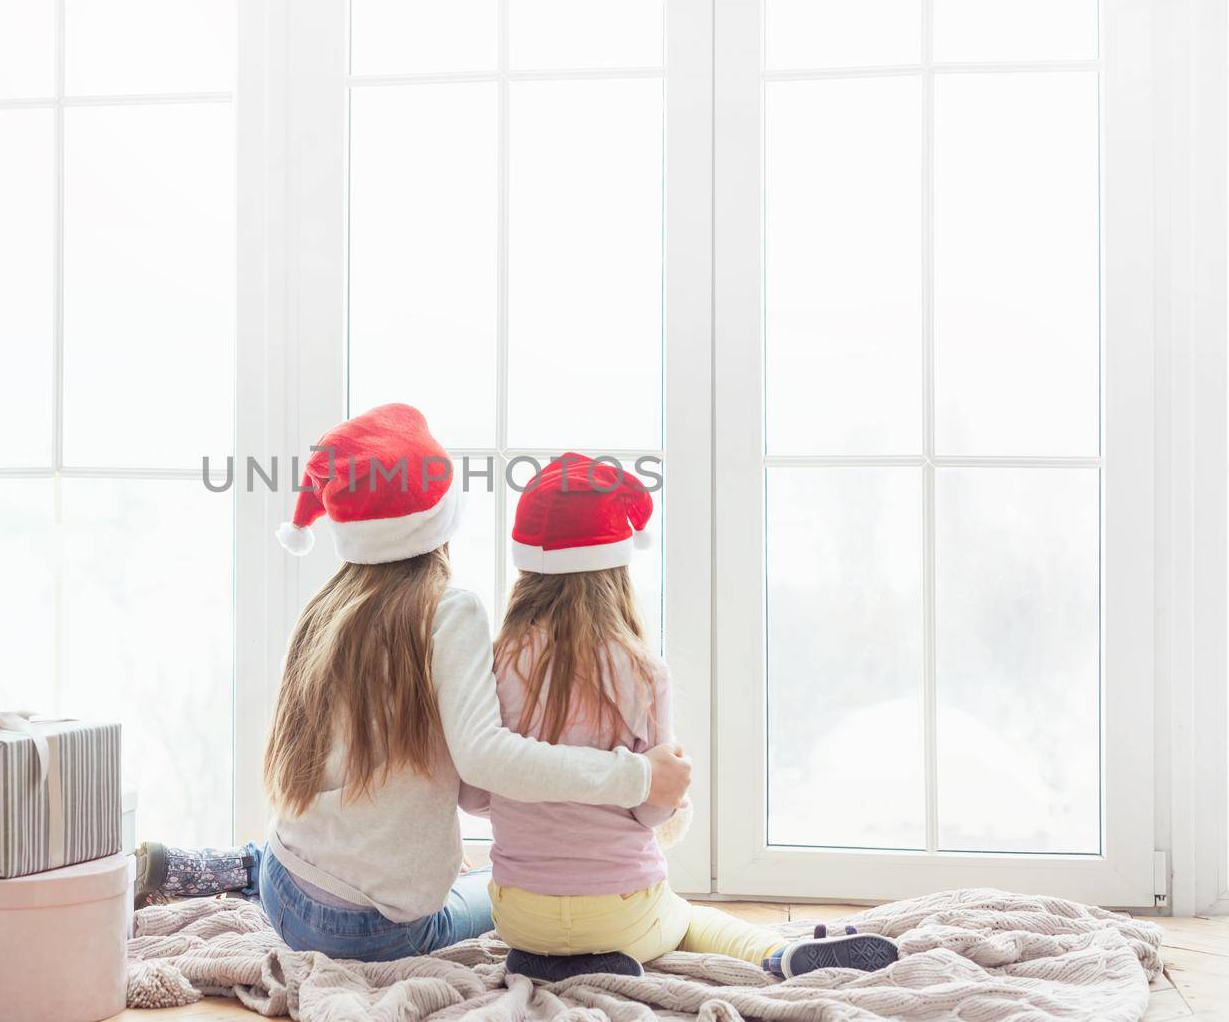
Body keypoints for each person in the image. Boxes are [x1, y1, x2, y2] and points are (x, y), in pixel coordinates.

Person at [133, 405, 693, 961]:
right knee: (490, 895)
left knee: (323, 845)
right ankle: (245, 866)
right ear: (442, 517)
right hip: (374, 933)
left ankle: (236, 866)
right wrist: (639, 776)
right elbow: (484, 762)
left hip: (287, 890)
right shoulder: (450, 613)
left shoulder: (328, 610)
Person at [460, 453, 899, 981]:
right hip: (622, 912)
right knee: (688, 917)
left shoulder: (492, 663)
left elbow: (476, 795)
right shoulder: (643, 672)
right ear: (616, 571)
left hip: (520, 916)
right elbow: (651, 811)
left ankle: (553, 957)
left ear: (526, 569)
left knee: (545, 911)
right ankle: (777, 956)